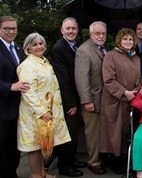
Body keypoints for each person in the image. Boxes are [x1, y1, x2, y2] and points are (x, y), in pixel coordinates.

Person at [17, 32, 71, 178]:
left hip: (47, 113)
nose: (39, 46)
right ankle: (35, 175)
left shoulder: (43, 62)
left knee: (43, 145)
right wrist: (42, 111)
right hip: (35, 114)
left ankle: (43, 173)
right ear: (28, 48)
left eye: (41, 43)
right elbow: (28, 92)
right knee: (34, 147)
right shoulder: (28, 66)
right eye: (34, 44)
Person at [99, 28, 141, 174]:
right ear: (119, 40)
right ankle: (113, 161)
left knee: (126, 130)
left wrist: (135, 92)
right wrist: (124, 92)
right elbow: (108, 79)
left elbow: (140, 79)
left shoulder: (136, 58)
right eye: (125, 39)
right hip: (114, 100)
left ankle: (125, 158)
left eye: (130, 39)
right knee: (114, 132)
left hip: (131, 101)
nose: (128, 41)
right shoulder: (111, 55)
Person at [50, 17, 86, 177]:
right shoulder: (59, 48)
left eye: (73, 28)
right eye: (68, 28)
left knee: (74, 132)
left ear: (77, 30)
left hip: (76, 96)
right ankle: (65, 166)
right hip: (68, 99)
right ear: (62, 30)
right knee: (67, 133)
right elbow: (62, 79)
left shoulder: (74, 46)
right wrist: (70, 103)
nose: (71, 31)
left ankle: (71, 160)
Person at [75, 21, 107, 175]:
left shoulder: (102, 49)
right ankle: (93, 162)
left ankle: (101, 158)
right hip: (91, 101)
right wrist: (87, 101)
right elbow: (81, 79)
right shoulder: (84, 50)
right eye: (97, 33)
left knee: (100, 132)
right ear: (90, 34)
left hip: (103, 99)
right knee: (93, 134)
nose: (101, 36)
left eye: (103, 33)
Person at [0, 16, 30, 178]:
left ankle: (11, 174)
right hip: (2, 108)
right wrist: (10, 87)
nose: (11, 31)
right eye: (7, 28)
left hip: (18, 108)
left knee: (13, 148)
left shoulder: (18, 49)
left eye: (14, 28)